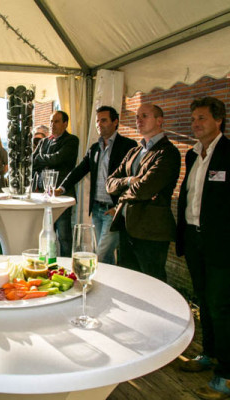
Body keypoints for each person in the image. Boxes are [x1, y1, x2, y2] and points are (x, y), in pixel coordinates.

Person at [176, 97, 230, 399]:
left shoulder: (228, 153)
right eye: (193, 118)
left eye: (202, 118)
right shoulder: (193, 154)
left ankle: (226, 376)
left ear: (218, 120)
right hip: (195, 240)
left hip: (221, 245)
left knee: (222, 307)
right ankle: (209, 354)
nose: (195, 124)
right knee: (204, 302)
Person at [106, 103, 181, 282]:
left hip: (151, 231)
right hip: (127, 227)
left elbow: (144, 189)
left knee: (153, 283)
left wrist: (121, 198)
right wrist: (129, 181)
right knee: (128, 282)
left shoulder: (168, 152)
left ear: (159, 120)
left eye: (144, 116)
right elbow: (109, 183)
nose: (139, 120)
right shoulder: (134, 151)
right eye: (137, 117)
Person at [56, 106, 137, 264]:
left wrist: (120, 206)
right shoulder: (94, 148)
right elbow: (79, 170)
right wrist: (61, 188)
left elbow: (131, 179)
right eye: (97, 121)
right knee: (106, 257)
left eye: (103, 120)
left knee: (100, 255)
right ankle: (109, 280)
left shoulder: (128, 145)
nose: (99, 124)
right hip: (97, 209)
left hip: (114, 210)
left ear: (115, 122)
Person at [32, 111, 79, 256]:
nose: (52, 125)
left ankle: (66, 263)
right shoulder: (44, 142)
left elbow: (57, 159)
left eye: (56, 121)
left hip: (61, 194)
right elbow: (33, 162)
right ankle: (47, 262)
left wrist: (41, 158)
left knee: (64, 236)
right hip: (43, 195)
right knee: (45, 232)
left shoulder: (71, 140)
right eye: (51, 121)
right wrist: (44, 159)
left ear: (65, 123)